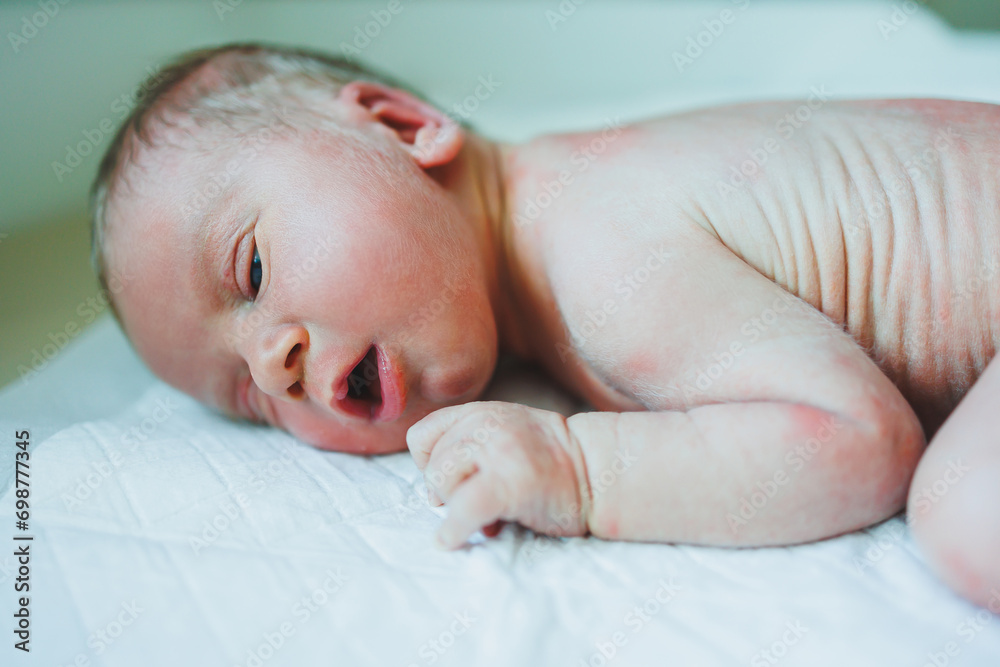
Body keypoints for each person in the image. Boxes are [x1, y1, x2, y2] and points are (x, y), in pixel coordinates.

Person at [90, 43, 1000, 610]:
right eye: (249, 398)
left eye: (250, 269)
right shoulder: (552, 239)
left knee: (966, 518)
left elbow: (855, 443)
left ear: (402, 125)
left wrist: (579, 472)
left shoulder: (599, 250)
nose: (272, 360)